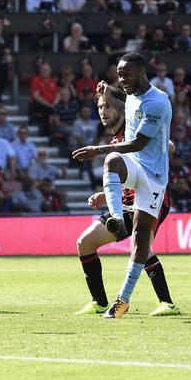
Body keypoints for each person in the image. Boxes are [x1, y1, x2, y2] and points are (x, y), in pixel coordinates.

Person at [72, 53, 173, 319]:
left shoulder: (157, 102)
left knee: (140, 244)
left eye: (126, 74)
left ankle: (125, 301)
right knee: (114, 160)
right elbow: (124, 99)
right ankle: (117, 218)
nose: (122, 79)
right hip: (133, 173)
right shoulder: (131, 98)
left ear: (141, 73)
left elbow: (139, 143)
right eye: (119, 74)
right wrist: (108, 89)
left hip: (153, 178)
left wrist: (97, 149)